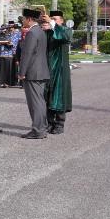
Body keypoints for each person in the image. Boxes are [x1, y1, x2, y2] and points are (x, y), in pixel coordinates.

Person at [18, 8, 50, 139]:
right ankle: (42, 127)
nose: (23, 21)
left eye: (24, 19)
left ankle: (38, 130)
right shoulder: (40, 31)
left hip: (33, 72)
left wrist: (21, 72)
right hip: (41, 71)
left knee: (35, 103)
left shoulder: (32, 33)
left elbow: (27, 54)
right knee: (40, 102)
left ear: (29, 19)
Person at [42, 11, 73, 135]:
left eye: (54, 19)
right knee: (47, 96)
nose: (51, 20)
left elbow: (65, 37)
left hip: (60, 70)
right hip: (47, 70)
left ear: (61, 20)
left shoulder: (65, 30)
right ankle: (49, 123)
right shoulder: (49, 32)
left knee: (58, 97)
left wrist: (51, 23)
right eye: (50, 18)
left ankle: (60, 124)